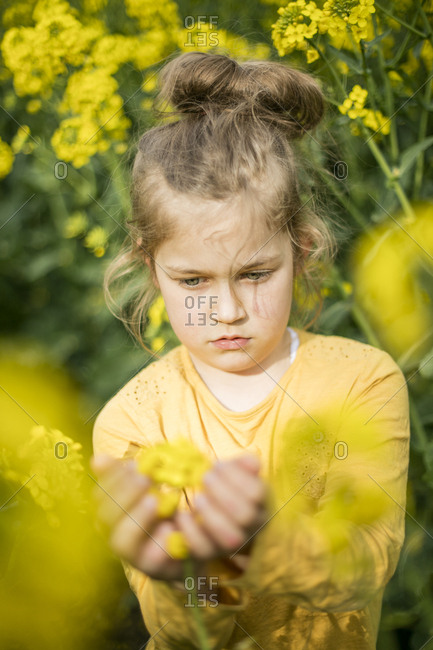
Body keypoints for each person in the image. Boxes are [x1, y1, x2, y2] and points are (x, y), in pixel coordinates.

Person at [90, 51, 410, 649]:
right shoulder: (132, 423)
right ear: (149, 269)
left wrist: (259, 538)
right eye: (194, 282)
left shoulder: (362, 381)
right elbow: (180, 632)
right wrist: (189, 574)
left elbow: (367, 566)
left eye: (257, 273)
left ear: (303, 250)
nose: (228, 310)